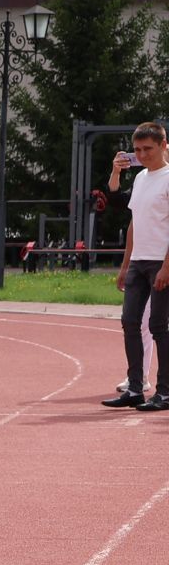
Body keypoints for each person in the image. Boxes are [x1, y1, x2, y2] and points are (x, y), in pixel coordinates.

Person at [102, 121, 169, 411]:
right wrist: (125, 264)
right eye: (138, 150)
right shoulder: (141, 178)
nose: (142, 155)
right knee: (130, 322)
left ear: (164, 146)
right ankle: (135, 387)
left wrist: (167, 266)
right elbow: (132, 221)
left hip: (161, 262)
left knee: (158, 326)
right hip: (139, 262)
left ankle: (165, 391)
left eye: (148, 149)